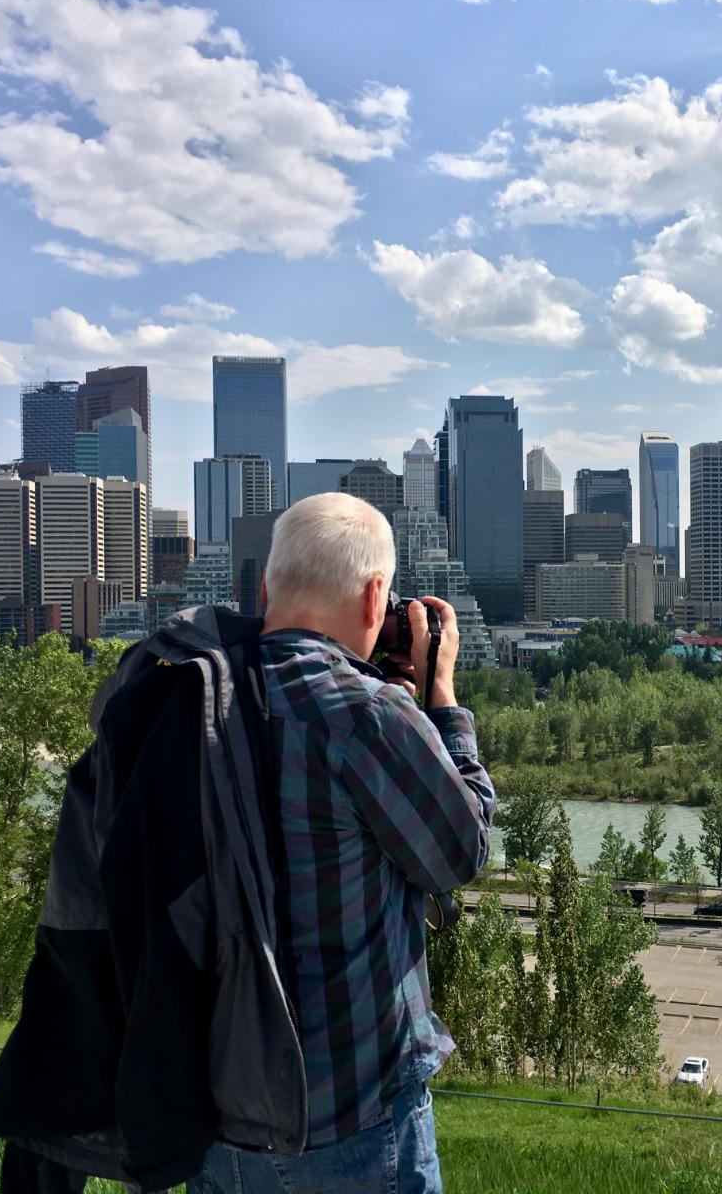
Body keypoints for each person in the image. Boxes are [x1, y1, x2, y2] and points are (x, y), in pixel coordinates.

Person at [190, 493, 495, 1194]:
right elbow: (459, 849)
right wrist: (440, 697)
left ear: (266, 589)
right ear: (374, 597)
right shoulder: (362, 714)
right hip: (354, 1115)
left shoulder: (194, 695)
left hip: (213, 1114)